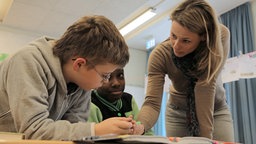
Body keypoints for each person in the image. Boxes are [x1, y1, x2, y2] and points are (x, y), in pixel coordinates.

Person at [0, 15, 133, 140]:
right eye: (105, 75)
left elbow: (71, 131)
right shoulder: (28, 61)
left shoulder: (82, 82)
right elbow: (33, 130)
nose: (106, 81)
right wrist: (95, 130)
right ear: (79, 64)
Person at [135, 0, 234, 142]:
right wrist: (139, 126)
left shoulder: (220, 37)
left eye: (186, 41)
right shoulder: (160, 55)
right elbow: (152, 103)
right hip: (178, 112)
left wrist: (205, 140)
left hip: (215, 110)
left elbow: (205, 86)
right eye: (173, 35)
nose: (176, 45)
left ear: (203, 38)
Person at [88, 68, 153, 135]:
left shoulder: (128, 99)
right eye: (107, 76)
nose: (116, 83)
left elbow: (148, 133)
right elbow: (89, 137)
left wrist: (138, 128)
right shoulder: (90, 104)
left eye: (120, 75)